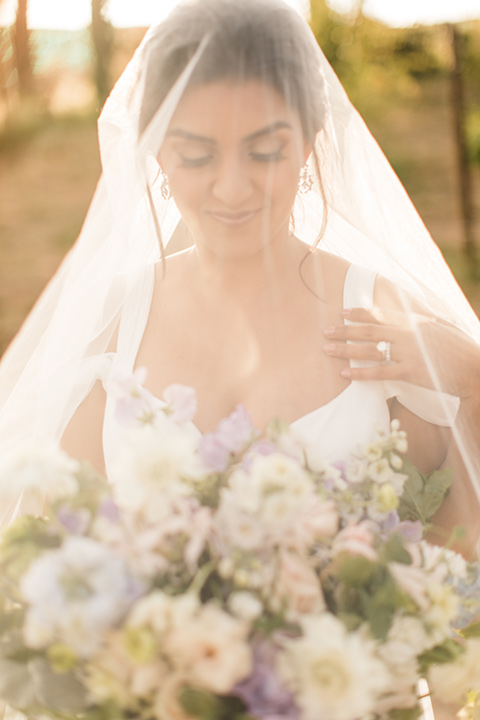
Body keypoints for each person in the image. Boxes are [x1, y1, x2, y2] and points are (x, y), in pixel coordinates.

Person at [0, 2, 478, 718]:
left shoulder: (387, 323)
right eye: (196, 154)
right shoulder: (108, 329)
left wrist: (470, 374)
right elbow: (56, 581)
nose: (231, 187)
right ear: (156, 149)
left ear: (312, 143)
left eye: (265, 150)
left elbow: (456, 580)